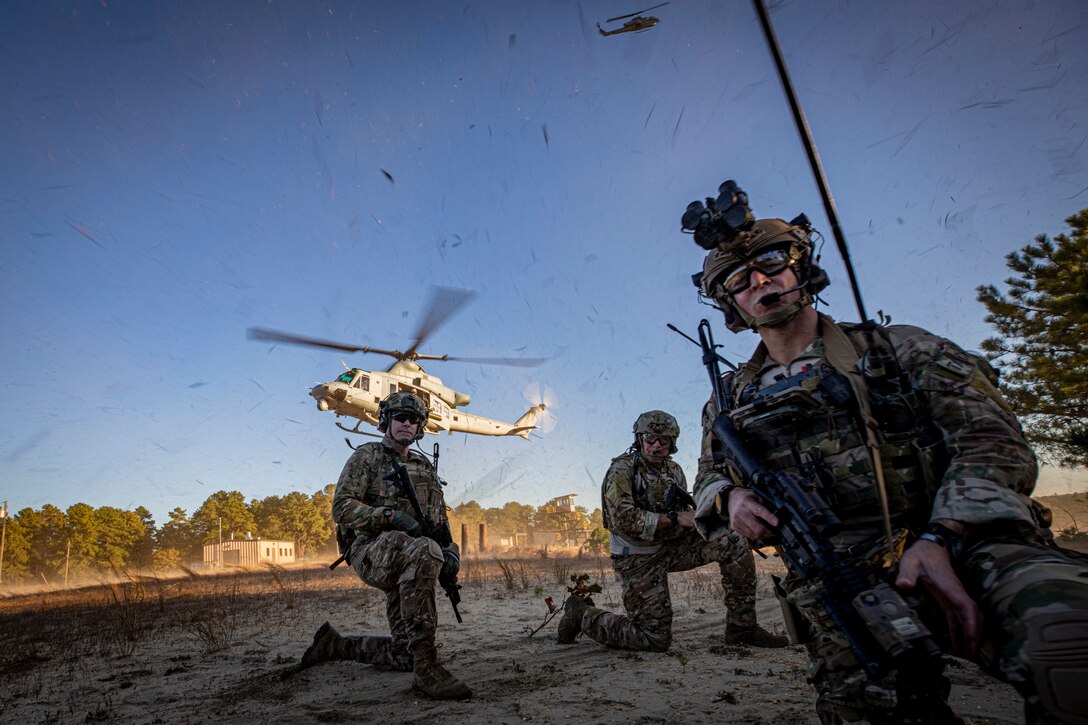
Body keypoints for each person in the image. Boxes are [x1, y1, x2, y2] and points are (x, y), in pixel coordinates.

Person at [686, 201, 1088, 723]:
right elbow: (708, 477)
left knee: (1067, 640)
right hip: (842, 577)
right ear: (731, 305)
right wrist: (729, 496)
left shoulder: (899, 349)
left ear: (801, 265)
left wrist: (941, 535)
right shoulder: (728, 401)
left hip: (966, 547)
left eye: (771, 261)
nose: (759, 281)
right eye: (739, 279)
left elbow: (993, 441)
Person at [556, 410, 788, 651]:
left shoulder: (674, 471)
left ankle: (742, 628)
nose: (656, 445)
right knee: (652, 639)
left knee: (733, 541)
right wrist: (676, 518)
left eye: (663, 440)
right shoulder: (622, 470)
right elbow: (623, 520)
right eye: (649, 439)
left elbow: (683, 512)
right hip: (637, 557)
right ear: (639, 439)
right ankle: (580, 613)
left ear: (672, 443)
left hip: (671, 547)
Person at [298, 391, 471, 701]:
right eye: (400, 417)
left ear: (420, 427)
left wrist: (452, 550)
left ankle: (335, 646)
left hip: (411, 557)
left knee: (404, 655)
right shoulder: (368, 457)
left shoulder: (424, 467)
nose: (407, 423)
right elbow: (341, 508)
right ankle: (428, 667)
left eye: (414, 419)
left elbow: (439, 522)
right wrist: (386, 515)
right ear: (386, 421)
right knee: (423, 551)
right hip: (370, 549)